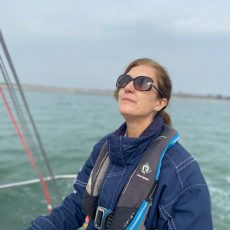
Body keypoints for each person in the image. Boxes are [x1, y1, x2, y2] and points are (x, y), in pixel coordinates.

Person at [29, 58, 213, 230]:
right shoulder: (105, 148)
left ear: (160, 103)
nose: (129, 87)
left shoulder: (181, 171)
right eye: (125, 80)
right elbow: (78, 204)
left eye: (143, 83)